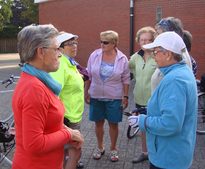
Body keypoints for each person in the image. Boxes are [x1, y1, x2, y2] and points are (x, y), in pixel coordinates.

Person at [11, 24, 84, 169]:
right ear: (41, 52)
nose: (60, 54)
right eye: (57, 49)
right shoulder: (34, 88)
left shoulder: (38, 81)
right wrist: (68, 135)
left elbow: (47, 122)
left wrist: (68, 130)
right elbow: (34, 145)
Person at [128, 31, 198, 169]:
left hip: (168, 157)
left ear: (168, 54)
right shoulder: (181, 72)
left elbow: (171, 123)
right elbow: (173, 109)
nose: (153, 57)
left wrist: (142, 121)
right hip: (174, 153)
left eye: (155, 52)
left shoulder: (174, 80)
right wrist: (145, 111)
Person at [84, 30, 130, 162]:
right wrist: (86, 92)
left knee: (113, 124)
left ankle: (113, 148)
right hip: (96, 95)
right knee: (98, 123)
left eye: (105, 42)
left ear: (114, 43)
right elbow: (89, 75)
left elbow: (126, 79)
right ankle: (100, 147)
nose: (102, 44)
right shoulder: (95, 55)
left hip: (114, 97)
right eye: (101, 41)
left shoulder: (122, 58)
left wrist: (126, 96)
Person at [50, 32, 85, 169]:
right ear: (60, 48)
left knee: (63, 152)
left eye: (75, 42)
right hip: (67, 118)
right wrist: (61, 118)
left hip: (73, 115)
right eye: (69, 44)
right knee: (76, 153)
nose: (74, 46)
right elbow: (54, 93)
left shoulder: (69, 62)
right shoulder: (61, 65)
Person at [128, 26, 157, 163]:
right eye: (142, 40)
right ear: (138, 41)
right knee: (144, 127)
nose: (145, 43)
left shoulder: (158, 56)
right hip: (139, 99)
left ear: (153, 40)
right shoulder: (135, 57)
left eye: (148, 40)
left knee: (156, 127)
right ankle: (145, 152)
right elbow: (131, 68)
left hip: (154, 100)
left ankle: (156, 154)